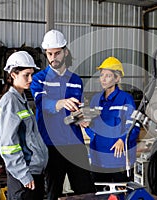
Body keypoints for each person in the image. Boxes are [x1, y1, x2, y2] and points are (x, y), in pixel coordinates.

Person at [30, 29, 95, 199]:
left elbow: (76, 110)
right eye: (49, 53)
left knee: (86, 191)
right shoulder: (38, 79)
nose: (53, 58)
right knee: (53, 193)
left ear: (65, 52)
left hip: (74, 144)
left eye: (57, 53)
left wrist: (83, 119)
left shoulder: (76, 80)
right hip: (51, 146)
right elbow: (41, 104)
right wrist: (60, 103)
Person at [0, 51, 48, 200]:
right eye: (26, 75)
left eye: (32, 74)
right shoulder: (10, 102)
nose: (31, 79)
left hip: (32, 174)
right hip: (24, 178)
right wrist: (24, 175)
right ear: (13, 75)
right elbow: (9, 145)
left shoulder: (21, 99)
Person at [82, 56, 140, 186]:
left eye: (108, 75)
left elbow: (134, 126)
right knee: (101, 194)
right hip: (98, 158)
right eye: (102, 75)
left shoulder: (126, 99)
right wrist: (87, 127)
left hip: (118, 160)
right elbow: (94, 128)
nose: (103, 79)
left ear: (117, 78)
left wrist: (122, 140)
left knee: (121, 194)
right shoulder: (95, 100)